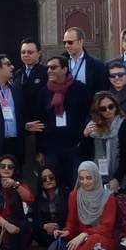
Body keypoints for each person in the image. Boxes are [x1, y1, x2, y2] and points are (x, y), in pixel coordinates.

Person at [33, 55, 91, 191]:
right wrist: (39, 150)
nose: (49, 71)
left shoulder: (80, 89)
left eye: (53, 67)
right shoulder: (44, 92)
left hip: (75, 145)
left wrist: (84, 139)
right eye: (48, 68)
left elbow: (88, 114)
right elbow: (39, 122)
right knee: (54, 183)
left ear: (65, 69)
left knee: (76, 183)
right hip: (52, 147)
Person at [57, 161, 120, 250]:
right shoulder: (74, 196)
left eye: (89, 178)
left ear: (96, 177)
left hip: (103, 240)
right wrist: (66, 231)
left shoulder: (109, 198)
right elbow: (72, 222)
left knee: (95, 239)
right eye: (81, 178)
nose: (85, 182)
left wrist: (84, 234)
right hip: (81, 241)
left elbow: (107, 227)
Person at [85, 90, 126, 185]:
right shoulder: (92, 126)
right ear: (98, 110)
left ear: (116, 106)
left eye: (111, 106)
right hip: (96, 176)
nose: (108, 110)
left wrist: (117, 178)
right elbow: (85, 153)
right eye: (103, 109)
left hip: (119, 176)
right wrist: (85, 136)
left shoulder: (125, 125)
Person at [62, 26, 111, 95]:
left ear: (81, 42)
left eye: (70, 42)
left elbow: (102, 91)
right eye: (65, 43)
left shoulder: (96, 65)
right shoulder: (61, 62)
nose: (66, 46)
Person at [30, 165, 68, 249]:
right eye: (44, 179)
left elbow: (71, 218)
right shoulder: (37, 199)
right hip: (44, 236)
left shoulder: (67, 195)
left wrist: (57, 226)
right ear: (41, 184)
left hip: (64, 233)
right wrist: (44, 226)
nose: (48, 180)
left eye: (51, 177)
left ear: (56, 178)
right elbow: (35, 221)